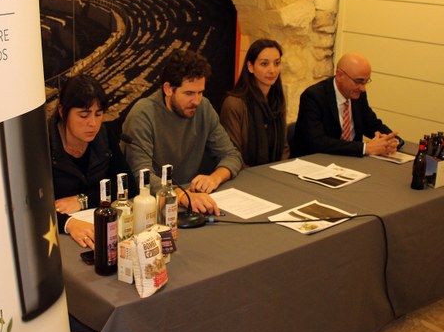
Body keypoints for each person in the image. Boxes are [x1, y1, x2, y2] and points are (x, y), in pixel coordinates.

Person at [121, 49, 243, 215]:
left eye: (200, 92)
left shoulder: (204, 108)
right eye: (189, 93)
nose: (196, 101)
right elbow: (142, 176)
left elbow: (231, 155)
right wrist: (181, 195)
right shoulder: (142, 115)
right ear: (168, 89)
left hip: (189, 199)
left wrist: (214, 178)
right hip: (151, 207)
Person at [49, 74, 136, 249]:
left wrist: (82, 200)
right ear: (62, 112)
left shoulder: (103, 135)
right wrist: (68, 223)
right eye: (84, 115)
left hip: (98, 228)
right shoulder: (42, 144)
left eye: (98, 114)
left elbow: (128, 186)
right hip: (57, 237)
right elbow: (32, 207)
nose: (93, 123)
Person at [294, 52, 401, 157]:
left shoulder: (358, 94)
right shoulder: (314, 96)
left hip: (351, 160)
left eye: (365, 82)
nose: (363, 88)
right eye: (358, 81)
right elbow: (317, 141)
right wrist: (365, 148)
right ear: (340, 75)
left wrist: (392, 140)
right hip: (318, 160)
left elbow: (371, 124)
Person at [219, 39, 289, 166]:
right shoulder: (234, 104)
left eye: (277, 63)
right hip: (244, 173)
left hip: (274, 172)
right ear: (250, 67)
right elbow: (232, 155)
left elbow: (284, 148)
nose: (272, 70)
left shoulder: (277, 99)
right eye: (264, 64)